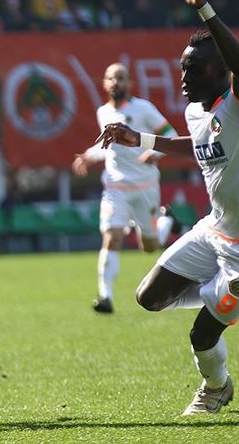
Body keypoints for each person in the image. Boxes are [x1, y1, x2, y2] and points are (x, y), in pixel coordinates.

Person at [96, 0, 239, 415]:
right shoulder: (195, 111)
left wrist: (203, 6)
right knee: (149, 297)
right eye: (182, 70)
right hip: (216, 231)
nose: (183, 80)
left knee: (202, 334)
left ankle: (217, 387)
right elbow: (200, 146)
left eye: (194, 71)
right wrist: (141, 138)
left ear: (220, 70)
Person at [72, 63, 179, 314]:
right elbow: (106, 145)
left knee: (149, 246)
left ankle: (165, 223)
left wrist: (154, 153)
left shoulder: (143, 108)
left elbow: (169, 133)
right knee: (112, 236)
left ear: (129, 83)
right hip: (115, 186)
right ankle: (105, 297)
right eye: (111, 78)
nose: (116, 83)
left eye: (121, 78)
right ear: (104, 83)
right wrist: (88, 156)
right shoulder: (102, 112)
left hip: (145, 186)